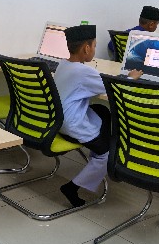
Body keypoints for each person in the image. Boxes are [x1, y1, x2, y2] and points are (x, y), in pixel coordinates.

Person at [55, 25, 141, 207]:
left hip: (58, 121)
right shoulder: (83, 72)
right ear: (86, 48)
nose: (94, 49)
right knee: (107, 154)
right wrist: (131, 77)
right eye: (94, 46)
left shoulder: (64, 64)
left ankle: (98, 148)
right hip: (72, 126)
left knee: (102, 111)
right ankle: (72, 187)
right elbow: (114, 87)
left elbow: (98, 81)